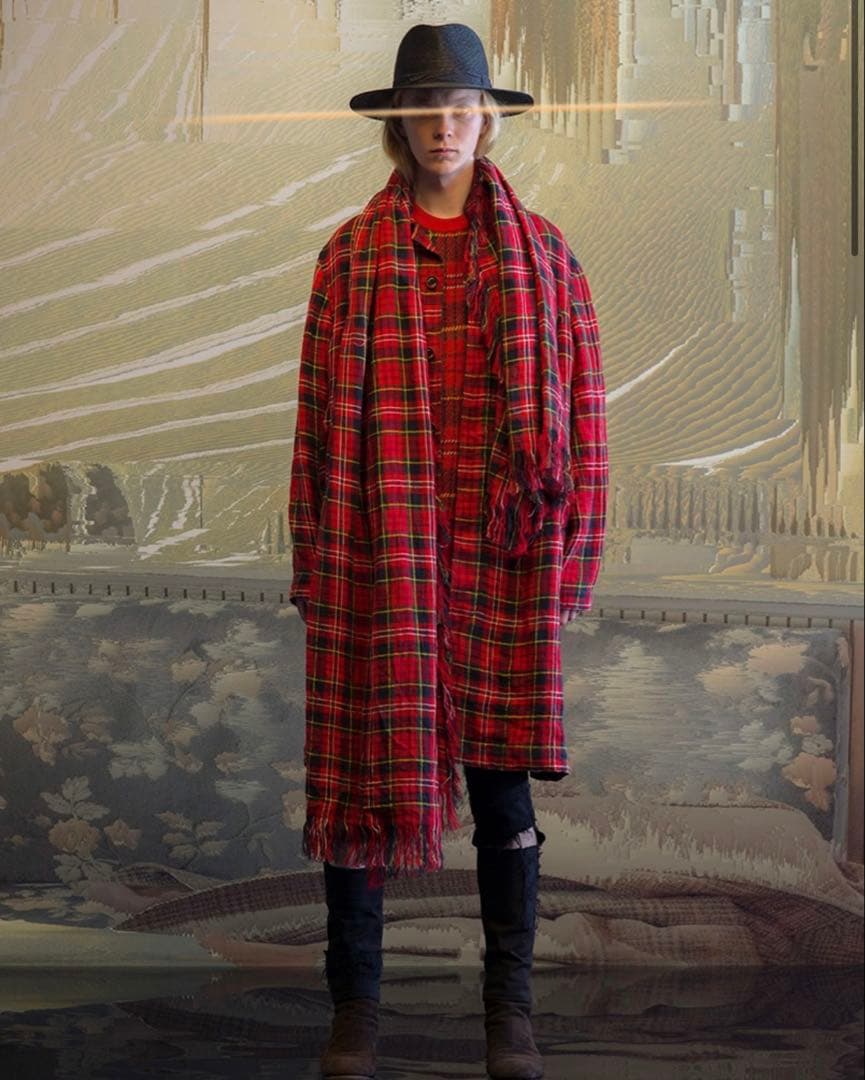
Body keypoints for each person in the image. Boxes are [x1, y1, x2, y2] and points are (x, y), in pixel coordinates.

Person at [288, 22, 608, 1080]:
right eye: (423, 109)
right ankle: (355, 1013)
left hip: (502, 556)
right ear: (399, 125)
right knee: (358, 778)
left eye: (460, 107)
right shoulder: (350, 255)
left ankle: (508, 1012)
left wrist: (572, 557)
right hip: (380, 552)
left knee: (502, 793)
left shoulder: (544, 255)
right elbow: (315, 421)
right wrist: (314, 555)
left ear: (485, 119)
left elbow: (584, 415)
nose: (442, 126)